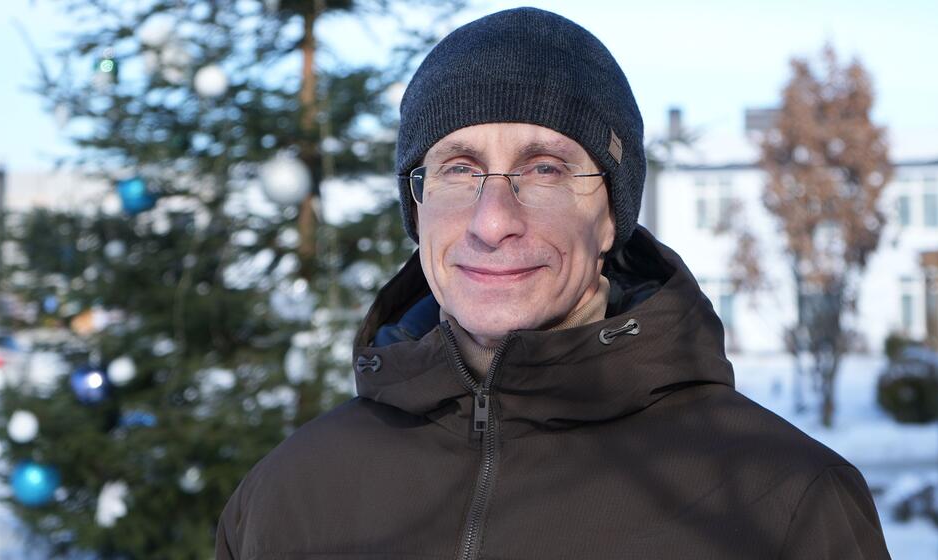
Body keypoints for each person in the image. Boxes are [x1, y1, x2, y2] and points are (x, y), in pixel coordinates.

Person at [216, 7, 890, 559]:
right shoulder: (288, 497)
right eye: (458, 169)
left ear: (610, 220)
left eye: (545, 169)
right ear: (416, 207)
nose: (493, 221)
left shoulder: (782, 503)